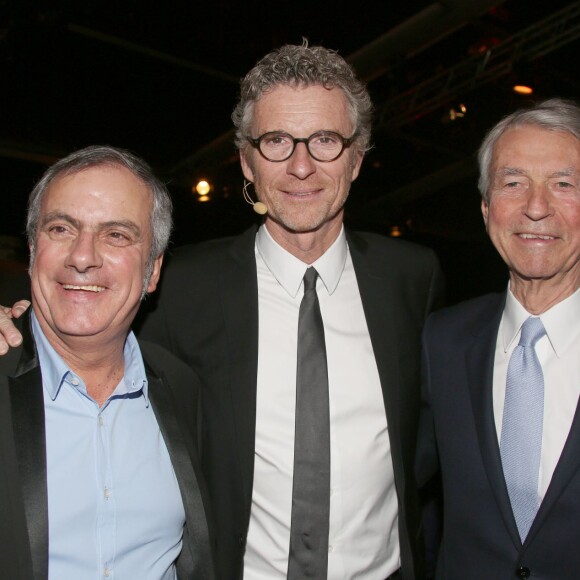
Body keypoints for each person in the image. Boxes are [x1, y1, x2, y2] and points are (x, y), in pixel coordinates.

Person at [0, 43, 444, 579]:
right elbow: (82, 309)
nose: (301, 165)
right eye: (276, 141)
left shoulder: (411, 278)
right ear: (246, 161)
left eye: (325, 141)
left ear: (356, 157)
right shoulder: (178, 288)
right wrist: (18, 317)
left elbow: (425, 441)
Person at [0, 146, 215, 579]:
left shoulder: (179, 385)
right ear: (31, 251)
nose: (82, 257)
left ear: (153, 271)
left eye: (116, 235)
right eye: (61, 228)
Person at [416, 98, 580, 579]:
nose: (535, 207)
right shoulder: (441, 342)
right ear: (487, 207)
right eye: (513, 184)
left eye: (564, 184)